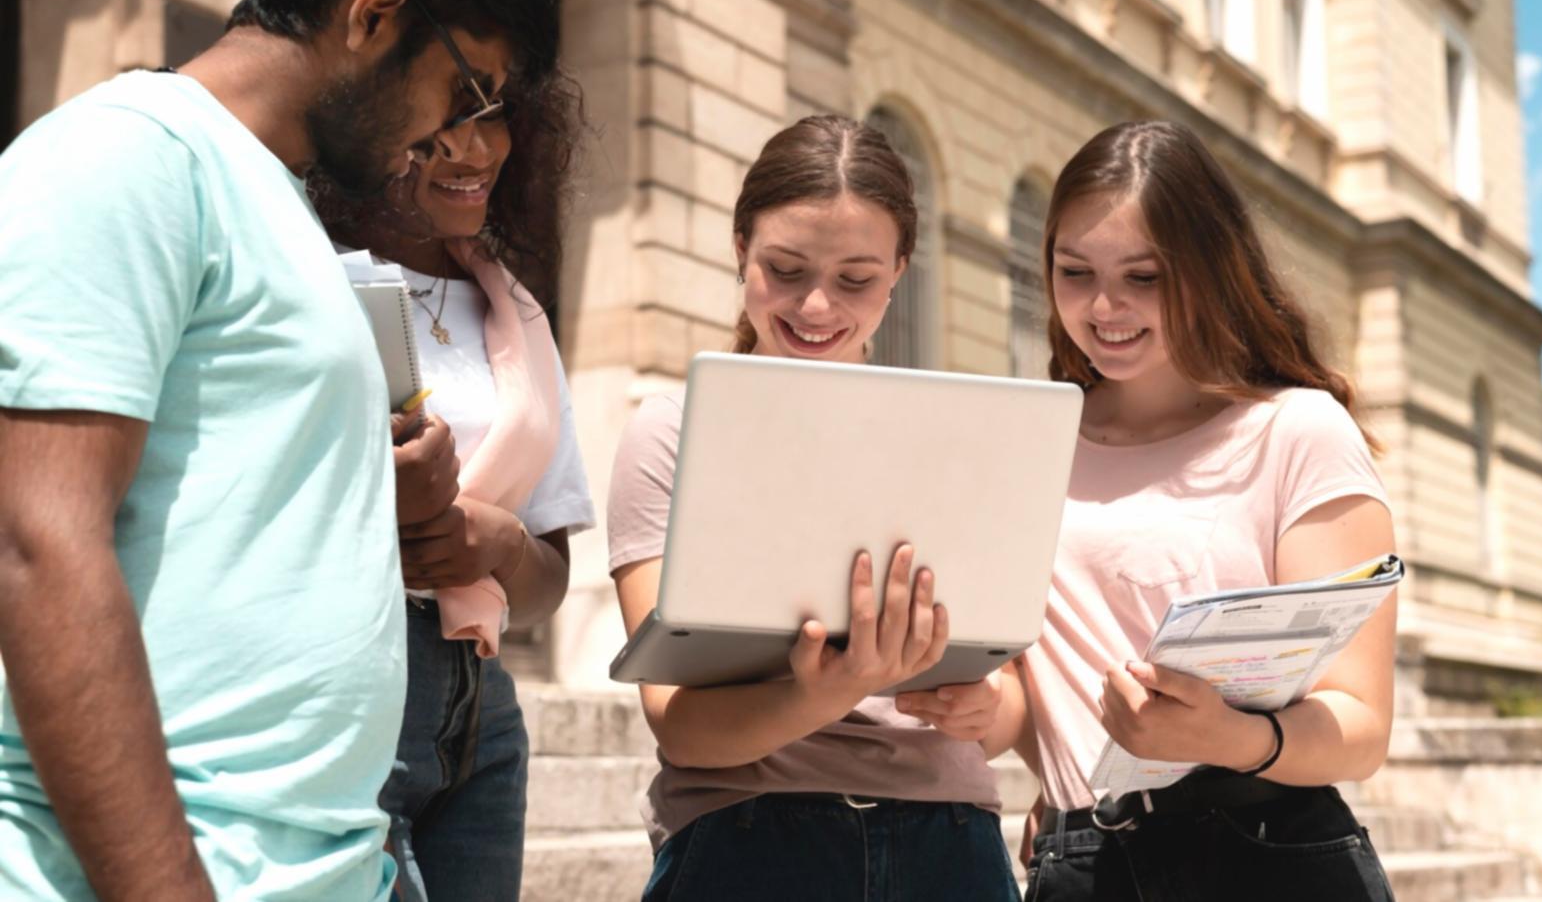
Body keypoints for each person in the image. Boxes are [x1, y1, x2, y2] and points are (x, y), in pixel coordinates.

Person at [0, 0, 557, 899]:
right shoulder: (129, 154)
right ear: (377, 15)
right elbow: (37, 540)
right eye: (464, 88)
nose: (449, 134)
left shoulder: (283, 207)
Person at [606, 115, 1025, 902]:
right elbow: (680, 722)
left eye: (856, 279)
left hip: (950, 841)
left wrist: (984, 708)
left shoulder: (963, 435)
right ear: (739, 248)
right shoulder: (674, 432)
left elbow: (1008, 709)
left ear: (900, 268)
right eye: (785, 268)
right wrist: (829, 688)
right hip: (749, 837)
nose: (817, 304)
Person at [1010, 121, 1398, 901]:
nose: (1103, 305)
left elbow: (1360, 728)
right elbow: (1030, 687)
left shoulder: (1297, 429)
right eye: (1073, 270)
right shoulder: (1025, 442)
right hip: (1080, 861)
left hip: (1266, 851)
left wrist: (1226, 736)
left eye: (1144, 276)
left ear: (1209, 268)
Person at [319, 66, 593, 902]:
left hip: (481, 718)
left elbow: (547, 580)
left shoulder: (516, 313)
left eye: (495, 117)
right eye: (446, 120)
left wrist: (497, 542)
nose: (477, 149)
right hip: (343, 685)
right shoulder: (303, 274)